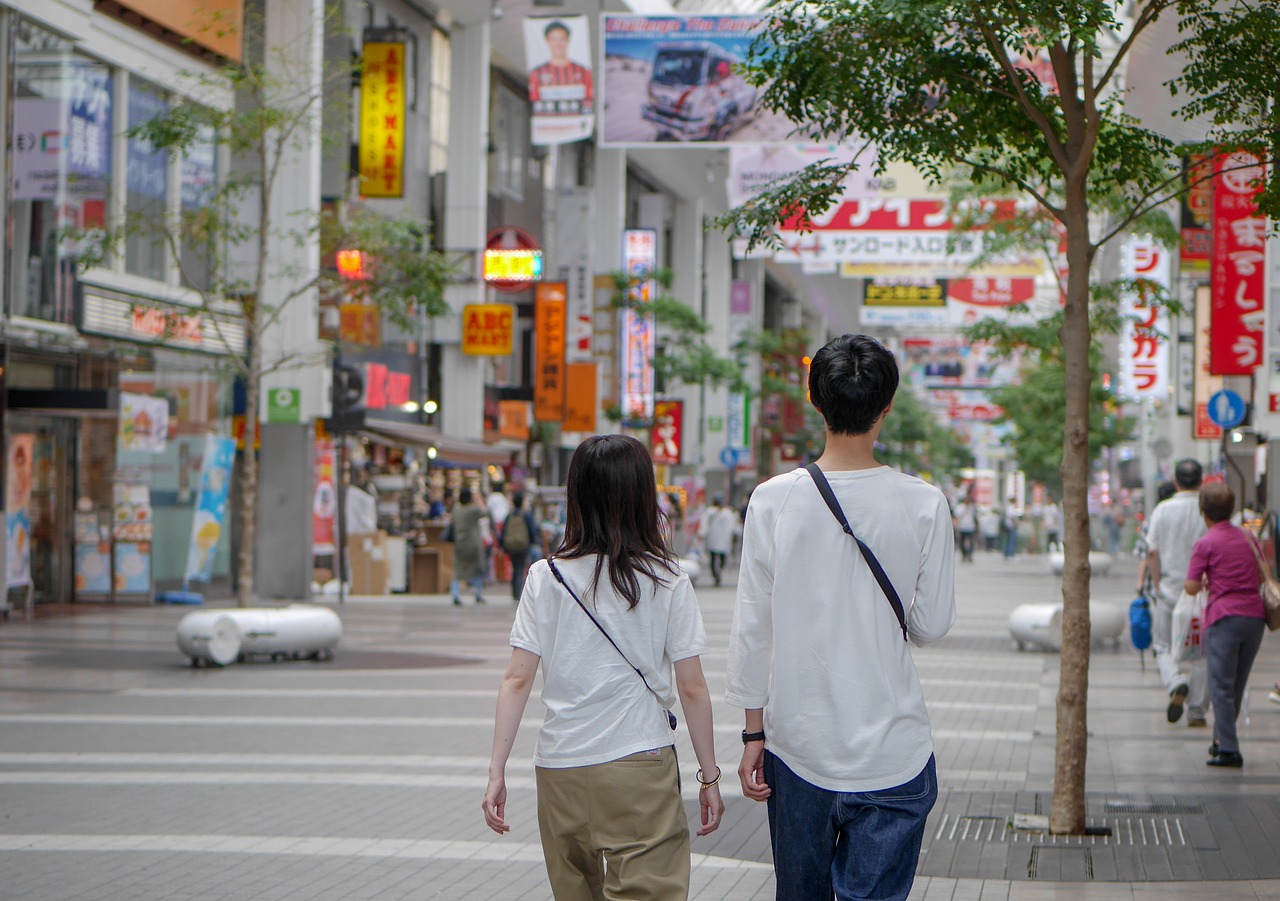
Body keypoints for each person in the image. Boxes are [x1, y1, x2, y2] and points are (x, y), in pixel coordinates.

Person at [726, 334, 956, 901]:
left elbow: (752, 626)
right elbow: (929, 625)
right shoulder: (925, 503)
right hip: (894, 751)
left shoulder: (773, 499)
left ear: (815, 400)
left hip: (798, 747)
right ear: (887, 407)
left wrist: (752, 732)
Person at [483, 435, 723, 899]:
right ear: (641, 495)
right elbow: (692, 688)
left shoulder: (544, 576)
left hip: (560, 768)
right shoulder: (667, 578)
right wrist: (709, 777)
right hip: (638, 765)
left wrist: (496, 771)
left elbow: (517, 679)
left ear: (577, 495)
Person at [1184, 483, 1266, 767]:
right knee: (1237, 683)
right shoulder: (1248, 537)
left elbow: (1192, 587)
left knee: (1220, 684)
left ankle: (1230, 749)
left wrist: (1207, 579)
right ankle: (1220, 740)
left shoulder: (1205, 543)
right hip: (1254, 618)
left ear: (1203, 512)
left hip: (1224, 618)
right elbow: (1260, 572)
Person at [1146, 459, 1209, 725]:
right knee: (1202, 653)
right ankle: (1196, 711)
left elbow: (1152, 552)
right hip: (1201, 594)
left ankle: (1175, 681)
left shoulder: (1162, 510)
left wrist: (1157, 584)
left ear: (1175, 482)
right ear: (1201, 481)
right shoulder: (1208, 510)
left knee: (1161, 646)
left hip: (1170, 591)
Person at [527, 20, 594, 117]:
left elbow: (589, 103)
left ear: (568, 40)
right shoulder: (536, 73)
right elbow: (534, 105)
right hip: (548, 128)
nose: (558, 44)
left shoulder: (584, 72)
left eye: (562, 39)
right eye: (554, 39)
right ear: (547, 41)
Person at [1134, 482, 1177, 598]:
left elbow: (1146, 555)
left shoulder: (1150, 522)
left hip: (1156, 581)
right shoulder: (1181, 520)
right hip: (1180, 580)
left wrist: (1140, 582)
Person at [450, 487, 489, 606]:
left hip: (460, 543)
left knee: (458, 570)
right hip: (473, 544)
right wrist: (478, 500)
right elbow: (485, 512)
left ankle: (455, 594)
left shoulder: (456, 510)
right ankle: (478, 594)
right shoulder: (473, 510)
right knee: (477, 569)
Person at [501, 491, 539, 602]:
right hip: (523, 545)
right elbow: (531, 530)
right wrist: (533, 542)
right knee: (521, 568)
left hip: (511, 546)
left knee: (514, 567)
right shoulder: (526, 515)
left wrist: (503, 545)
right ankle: (518, 592)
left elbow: (504, 531)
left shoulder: (510, 515)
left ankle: (514, 592)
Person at [700, 495, 735, 587]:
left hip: (723, 539)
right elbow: (705, 523)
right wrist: (702, 533)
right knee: (713, 558)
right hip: (714, 538)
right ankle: (716, 575)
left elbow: (731, 526)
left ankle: (718, 571)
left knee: (722, 558)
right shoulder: (710, 512)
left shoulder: (727, 513)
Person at [954, 492, 977, 563]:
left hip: (970, 527)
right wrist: (957, 525)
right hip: (962, 527)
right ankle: (964, 554)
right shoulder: (960, 507)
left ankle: (970, 555)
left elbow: (975, 517)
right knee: (962, 542)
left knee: (971, 542)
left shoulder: (972, 507)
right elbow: (957, 517)